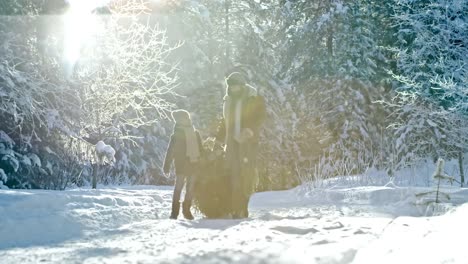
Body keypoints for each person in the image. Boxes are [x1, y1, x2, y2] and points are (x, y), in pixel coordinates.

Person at [215, 72, 266, 218]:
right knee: (234, 175)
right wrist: (218, 139)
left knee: (246, 176)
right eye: (231, 87)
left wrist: (248, 129)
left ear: (242, 85)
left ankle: (242, 208)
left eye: (236, 86)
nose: (234, 89)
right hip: (232, 143)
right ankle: (236, 209)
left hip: (247, 143)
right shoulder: (228, 101)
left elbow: (260, 116)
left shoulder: (253, 97)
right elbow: (225, 122)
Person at [163, 110, 204, 220]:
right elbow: (170, 151)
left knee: (190, 189)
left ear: (187, 118)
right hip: (181, 165)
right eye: (178, 119)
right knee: (178, 188)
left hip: (193, 164)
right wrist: (166, 166)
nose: (181, 121)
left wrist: (203, 163)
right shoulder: (176, 135)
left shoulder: (195, 133)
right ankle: (174, 212)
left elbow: (201, 150)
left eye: (183, 118)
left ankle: (187, 211)